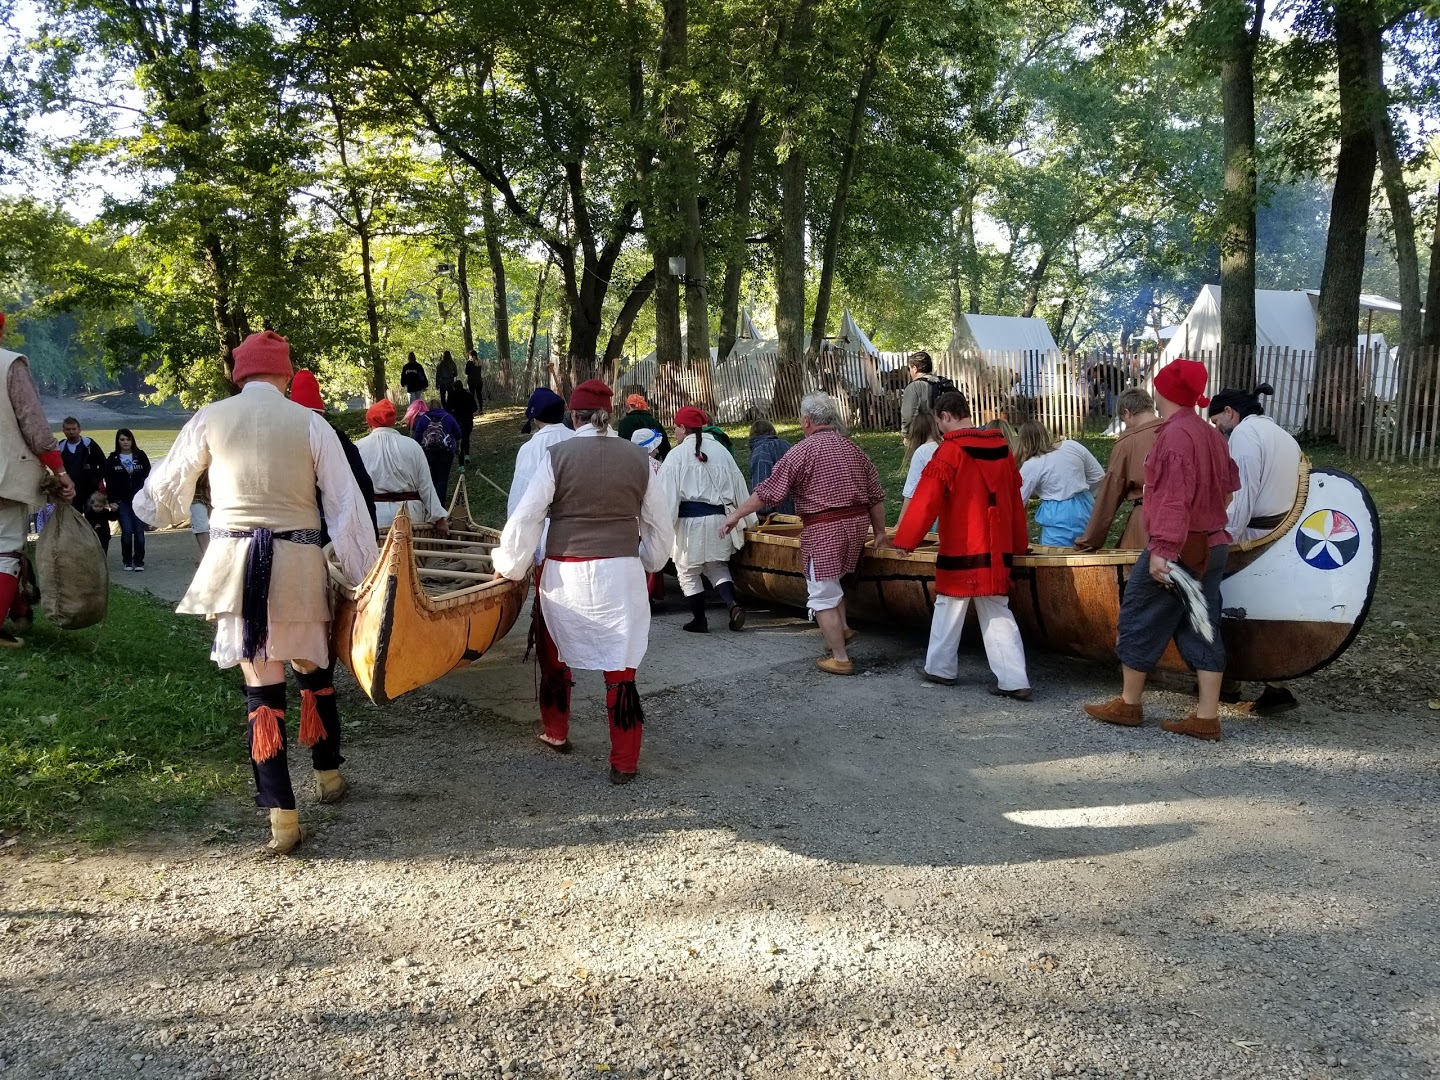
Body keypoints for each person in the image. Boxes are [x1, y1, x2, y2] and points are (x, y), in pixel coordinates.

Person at [132, 330, 378, 854]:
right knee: (314, 671)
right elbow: (346, 505)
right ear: (286, 374)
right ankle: (329, 775)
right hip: (298, 565)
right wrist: (364, 575)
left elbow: (163, 496)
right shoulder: (311, 423)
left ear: (239, 374)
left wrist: (151, 512)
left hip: (234, 570)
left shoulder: (210, 418)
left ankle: (282, 819)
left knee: (262, 689)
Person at [492, 380, 673, 785]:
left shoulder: (556, 456)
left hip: (565, 572)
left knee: (554, 654)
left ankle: (556, 730)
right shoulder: (639, 459)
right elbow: (658, 524)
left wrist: (510, 564)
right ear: (610, 414)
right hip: (620, 574)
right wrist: (650, 559)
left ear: (575, 416)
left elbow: (527, 517)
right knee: (620, 668)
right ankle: (624, 761)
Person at [1083, 357, 1240, 741]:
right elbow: (1228, 490)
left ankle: (1129, 704)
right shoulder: (1210, 434)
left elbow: (1172, 498)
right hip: (1213, 543)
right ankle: (1206, 717)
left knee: (1139, 614)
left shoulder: (1174, 436)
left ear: (1163, 390)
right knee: (1202, 622)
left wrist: (1164, 549)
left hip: (1180, 548)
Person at [720, 393, 887, 676]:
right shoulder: (852, 448)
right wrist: (880, 531)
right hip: (856, 526)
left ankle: (840, 658)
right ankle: (843, 629)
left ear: (806, 421)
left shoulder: (802, 451)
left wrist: (735, 515)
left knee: (821, 593)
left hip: (825, 529)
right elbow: (876, 495)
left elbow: (767, 492)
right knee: (833, 582)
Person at [892, 391, 1031, 698]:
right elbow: (1014, 501)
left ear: (945, 416)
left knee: (950, 604)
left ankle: (940, 669)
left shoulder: (949, 451)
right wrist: (1019, 543)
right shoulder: (1001, 447)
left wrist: (906, 539)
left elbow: (926, 500)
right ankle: (1015, 680)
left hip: (963, 544)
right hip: (996, 547)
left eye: (939, 422)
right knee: (996, 608)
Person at [1209, 383, 1304, 717]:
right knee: (1255, 608)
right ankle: (1236, 682)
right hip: (1278, 534)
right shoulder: (1282, 434)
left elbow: (1242, 495)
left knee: (1233, 606)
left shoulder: (1245, 435)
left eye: (1216, 422)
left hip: (1253, 537)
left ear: (1230, 413)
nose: (1217, 430)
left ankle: (1238, 683)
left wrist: (1225, 538)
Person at [1, 329, 75, 648]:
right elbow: (33, 423)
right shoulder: (9, 364)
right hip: (4, 476)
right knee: (7, 549)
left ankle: (19, 610)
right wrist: (59, 469)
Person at [659, 406, 755, 634]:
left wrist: (663, 526)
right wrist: (748, 518)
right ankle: (732, 605)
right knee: (716, 566)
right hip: (719, 521)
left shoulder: (676, 456)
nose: (675, 432)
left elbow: (666, 496)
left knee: (687, 570)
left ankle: (699, 620)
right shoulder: (722, 452)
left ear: (683, 428)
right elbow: (739, 485)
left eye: (676, 428)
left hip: (689, 524)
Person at [288, 369, 378, 540]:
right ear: (321, 412)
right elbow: (362, 484)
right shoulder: (337, 438)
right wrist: (369, 532)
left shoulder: (281, 440)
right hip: (333, 529)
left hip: (294, 532)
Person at [1075, 387, 1162, 551]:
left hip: (1148, 522)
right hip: (1187, 522)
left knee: (1137, 566)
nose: (1125, 427)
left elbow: (1110, 494)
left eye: (1123, 421)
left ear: (1127, 413)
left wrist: (1088, 542)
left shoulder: (1128, 442)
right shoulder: (1176, 431)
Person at [354, 400, 449, 533]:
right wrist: (439, 517)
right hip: (410, 517)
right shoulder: (412, 446)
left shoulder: (358, 448)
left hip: (374, 517)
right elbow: (426, 485)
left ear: (370, 423)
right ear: (393, 422)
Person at [1015, 420, 1104, 547]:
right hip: (1084, 506)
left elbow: (1018, 500)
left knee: (1054, 553)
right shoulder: (1072, 446)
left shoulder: (1032, 465)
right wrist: (1080, 489)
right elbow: (1098, 476)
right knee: (1086, 549)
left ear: (1023, 442)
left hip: (1057, 514)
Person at [59, 416, 110, 552]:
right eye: (68, 429)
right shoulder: (61, 446)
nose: (71, 432)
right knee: (73, 522)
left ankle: (99, 551)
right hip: (72, 492)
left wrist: (96, 478)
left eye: (74, 429)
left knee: (94, 521)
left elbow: (103, 463)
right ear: (63, 430)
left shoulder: (89, 444)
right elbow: (57, 468)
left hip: (90, 492)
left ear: (79, 429)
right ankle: (77, 550)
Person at [630, 427, 668, 609]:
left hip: (632, 517)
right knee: (652, 554)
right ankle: (649, 593)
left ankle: (636, 594)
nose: (657, 450)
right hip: (650, 516)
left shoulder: (627, 464)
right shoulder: (656, 466)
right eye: (654, 447)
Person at [104, 429, 152, 571]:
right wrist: (111, 500)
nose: (125, 442)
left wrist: (150, 496)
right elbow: (109, 481)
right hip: (122, 501)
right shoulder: (112, 459)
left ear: (132, 440)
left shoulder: (140, 456)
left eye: (128, 439)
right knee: (127, 531)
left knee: (139, 532)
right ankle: (127, 560)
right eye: (122, 440)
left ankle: (139, 561)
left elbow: (149, 477)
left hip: (140, 500)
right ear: (118, 441)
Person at [899, 410, 942, 531]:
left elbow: (911, 491)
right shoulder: (944, 446)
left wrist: (900, 524)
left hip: (931, 514)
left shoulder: (921, 452)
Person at [412, 398, 462, 500]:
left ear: (428, 407)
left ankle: (432, 499)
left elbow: (417, 436)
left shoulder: (424, 418)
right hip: (446, 451)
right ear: (440, 406)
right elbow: (458, 434)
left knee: (433, 474)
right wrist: (458, 447)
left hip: (428, 452)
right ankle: (440, 500)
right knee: (443, 477)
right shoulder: (448, 417)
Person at [747, 420, 794, 516]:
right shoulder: (786, 445)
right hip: (794, 509)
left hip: (774, 515)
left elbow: (761, 480)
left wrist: (762, 510)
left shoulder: (760, 451)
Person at [899, 352, 953, 430]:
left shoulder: (914, 387)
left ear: (915, 369)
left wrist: (906, 433)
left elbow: (908, 416)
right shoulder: (942, 382)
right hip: (946, 430)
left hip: (925, 433)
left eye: (909, 368)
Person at [616, 393, 672, 458]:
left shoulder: (625, 422)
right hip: (654, 460)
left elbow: (622, 445)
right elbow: (664, 444)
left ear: (630, 406)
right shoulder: (654, 421)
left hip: (633, 460)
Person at [447, 383, 477, 466]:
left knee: (460, 442)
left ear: (454, 387)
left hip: (458, 421)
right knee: (466, 438)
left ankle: (461, 465)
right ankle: (467, 455)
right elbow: (475, 407)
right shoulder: (468, 395)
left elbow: (448, 408)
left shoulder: (453, 396)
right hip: (468, 420)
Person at [191, 471, 212, 557]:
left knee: (213, 526)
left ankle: (210, 556)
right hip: (195, 495)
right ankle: (208, 556)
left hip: (211, 494)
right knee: (201, 527)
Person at [465, 348, 485, 415]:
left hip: (471, 381)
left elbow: (466, 372)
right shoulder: (479, 362)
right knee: (479, 395)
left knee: (472, 395)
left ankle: (472, 409)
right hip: (479, 381)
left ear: (470, 355)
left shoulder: (469, 363)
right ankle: (481, 409)